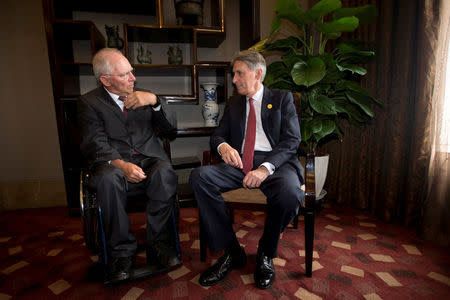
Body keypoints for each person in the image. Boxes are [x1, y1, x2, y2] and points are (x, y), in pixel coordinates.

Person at [189, 50, 304, 289]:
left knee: (290, 193)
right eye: (234, 74)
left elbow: (292, 140)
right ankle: (232, 251)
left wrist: (264, 168)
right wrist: (223, 147)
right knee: (200, 177)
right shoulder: (234, 103)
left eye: (239, 73)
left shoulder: (282, 99)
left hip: (275, 163)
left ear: (258, 74)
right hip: (239, 163)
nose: (234, 80)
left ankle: (265, 252)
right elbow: (218, 134)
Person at [78, 48, 181, 282]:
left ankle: (159, 245)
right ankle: (121, 253)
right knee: (108, 178)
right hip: (112, 162)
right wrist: (122, 165)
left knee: (164, 172)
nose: (133, 78)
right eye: (125, 75)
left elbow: (170, 128)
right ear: (106, 80)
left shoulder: (142, 94)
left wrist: (154, 102)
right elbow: (94, 142)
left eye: (131, 72)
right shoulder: (89, 102)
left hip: (148, 159)